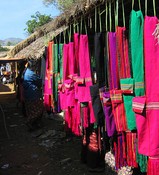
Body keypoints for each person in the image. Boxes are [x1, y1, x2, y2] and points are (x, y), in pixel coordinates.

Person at [22, 59, 44, 131]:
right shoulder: (30, 74)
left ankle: (33, 125)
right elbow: (40, 81)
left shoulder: (26, 72)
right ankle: (29, 122)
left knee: (31, 110)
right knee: (39, 109)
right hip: (33, 95)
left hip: (28, 95)